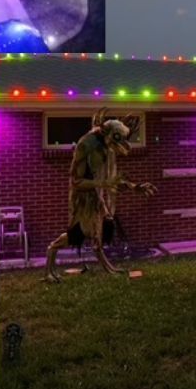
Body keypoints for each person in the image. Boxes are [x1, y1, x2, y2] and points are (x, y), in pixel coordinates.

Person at [44, 113, 153, 280]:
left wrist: (134, 187)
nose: (124, 145)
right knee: (79, 233)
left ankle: (109, 268)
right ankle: (51, 253)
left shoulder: (105, 148)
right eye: (118, 138)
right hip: (82, 197)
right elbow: (76, 181)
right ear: (107, 133)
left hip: (95, 193)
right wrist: (103, 184)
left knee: (99, 232)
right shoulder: (85, 145)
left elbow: (112, 180)